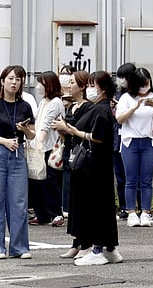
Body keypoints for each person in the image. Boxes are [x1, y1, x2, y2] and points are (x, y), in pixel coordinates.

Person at [62, 71, 122, 265]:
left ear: (102, 89)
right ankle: (110, 248)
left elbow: (98, 137)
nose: (89, 89)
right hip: (101, 166)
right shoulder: (102, 108)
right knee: (105, 206)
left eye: (92, 85)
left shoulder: (101, 110)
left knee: (97, 207)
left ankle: (97, 249)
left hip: (95, 166)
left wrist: (75, 132)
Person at [0, 65, 35, 259]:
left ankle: (19, 247)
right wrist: (3, 141)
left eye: (18, 79)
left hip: (18, 155)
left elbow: (32, 134)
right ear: (2, 81)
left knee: (19, 202)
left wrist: (24, 129)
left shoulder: (25, 106)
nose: (14, 82)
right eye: (10, 78)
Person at [116, 68, 153, 227]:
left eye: (147, 83)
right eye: (142, 84)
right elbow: (120, 119)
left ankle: (145, 212)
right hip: (130, 141)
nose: (145, 87)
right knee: (130, 179)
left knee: (146, 179)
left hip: (149, 142)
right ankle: (131, 212)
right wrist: (134, 107)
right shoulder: (126, 98)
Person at [51, 70, 91, 258]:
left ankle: (85, 243)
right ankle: (76, 242)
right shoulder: (71, 107)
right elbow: (67, 132)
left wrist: (64, 127)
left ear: (82, 86)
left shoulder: (88, 108)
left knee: (83, 202)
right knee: (73, 202)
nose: (69, 85)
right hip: (70, 153)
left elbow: (81, 130)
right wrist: (61, 129)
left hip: (83, 157)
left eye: (73, 82)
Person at [28, 71, 65, 227]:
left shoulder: (56, 102)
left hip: (49, 147)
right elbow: (38, 120)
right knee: (37, 181)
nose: (38, 86)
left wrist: (39, 142)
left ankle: (56, 213)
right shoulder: (44, 101)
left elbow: (46, 124)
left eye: (41, 83)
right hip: (39, 146)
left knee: (50, 181)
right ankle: (42, 214)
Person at [112, 63, 135, 220]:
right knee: (120, 175)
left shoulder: (137, 95)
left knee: (133, 175)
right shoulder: (117, 94)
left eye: (124, 77)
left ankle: (136, 206)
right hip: (117, 138)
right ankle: (123, 206)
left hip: (131, 139)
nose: (121, 81)